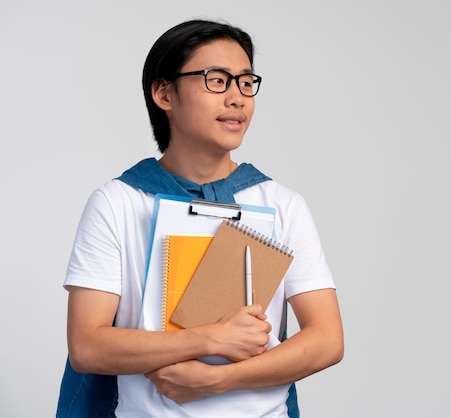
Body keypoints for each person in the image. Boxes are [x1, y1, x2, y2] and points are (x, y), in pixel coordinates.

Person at [56, 19, 344, 417]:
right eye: (217, 80)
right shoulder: (117, 203)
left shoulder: (281, 204)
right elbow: (88, 347)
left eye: (246, 82)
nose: (238, 98)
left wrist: (219, 380)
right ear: (164, 94)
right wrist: (213, 339)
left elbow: (327, 340)